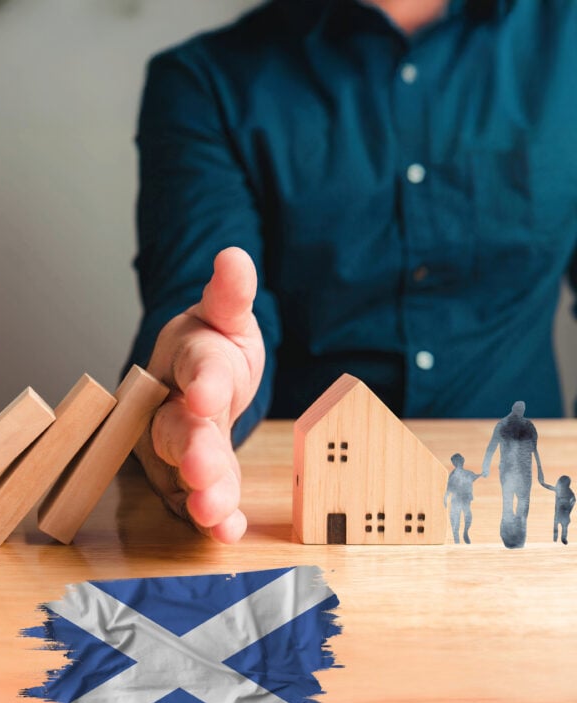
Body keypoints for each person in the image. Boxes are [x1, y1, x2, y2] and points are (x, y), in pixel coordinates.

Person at [126, 0, 577, 542]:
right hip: (292, 520)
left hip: (522, 514)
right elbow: (201, 304)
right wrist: (203, 373)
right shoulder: (203, 82)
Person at [481, 401, 544, 548]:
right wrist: (486, 466)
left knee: (517, 503)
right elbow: (491, 447)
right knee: (514, 503)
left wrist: (540, 470)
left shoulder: (523, 426)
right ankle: (511, 538)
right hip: (513, 470)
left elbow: (534, 450)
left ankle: (517, 538)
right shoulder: (511, 425)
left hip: (518, 470)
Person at [443, 453, 480, 544]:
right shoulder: (453, 475)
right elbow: (448, 487)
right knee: (455, 518)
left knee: (467, 516)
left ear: (462, 461)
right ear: (454, 463)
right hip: (456, 499)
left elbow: (474, 476)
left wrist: (482, 474)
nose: (458, 463)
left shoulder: (468, 473)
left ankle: (465, 532)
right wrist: (445, 497)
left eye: (459, 460)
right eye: (455, 461)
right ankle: (456, 538)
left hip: (465, 499)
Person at [540, 475, 575, 545]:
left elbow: (573, 502)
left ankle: (559, 538)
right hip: (563, 513)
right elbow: (573, 502)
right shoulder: (566, 491)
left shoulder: (559, 490)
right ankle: (560, 539)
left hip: (561, 513)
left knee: (561, 527)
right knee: (562, 527)